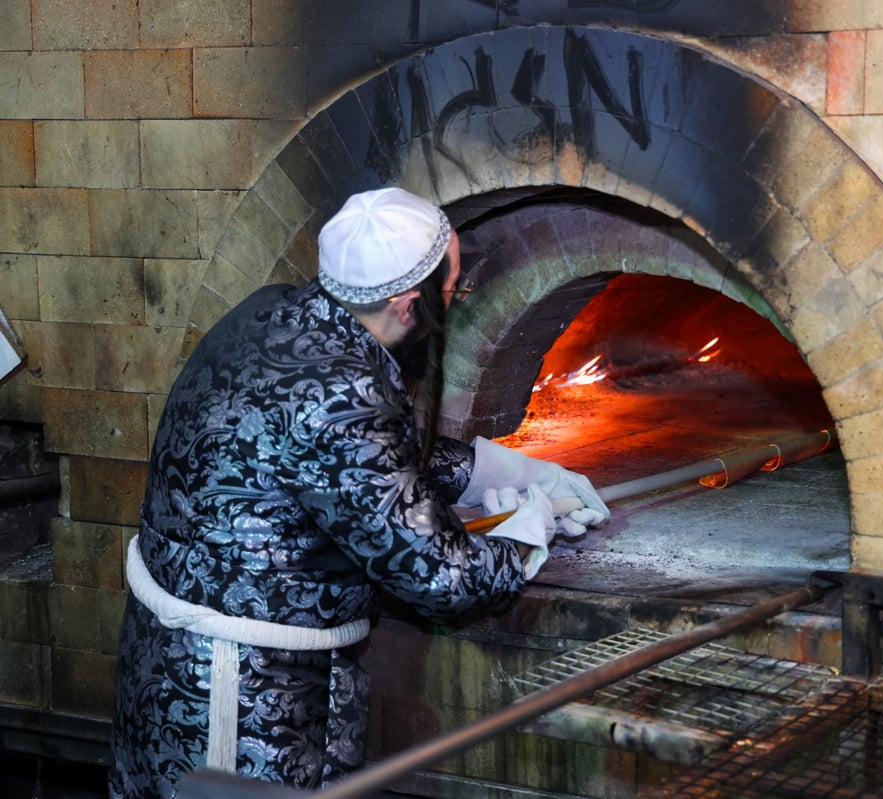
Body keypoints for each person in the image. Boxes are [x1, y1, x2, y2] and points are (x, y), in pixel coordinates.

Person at [108, 186, 610, 798]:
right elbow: (439, 579)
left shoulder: (275, 312)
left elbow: (354, 463)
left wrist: (493, 471)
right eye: (453, 292)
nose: (452, 302)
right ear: (406, 306)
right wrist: (524, 538)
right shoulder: (343, 393)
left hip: (167, 653)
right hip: (240, 695)